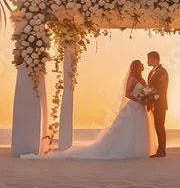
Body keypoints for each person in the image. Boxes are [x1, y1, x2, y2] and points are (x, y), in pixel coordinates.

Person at [21, 60, 155, 160]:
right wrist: (138, 100)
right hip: (133, 106)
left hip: (141, 107)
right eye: (141, 64)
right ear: (137, 66)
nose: (143, 65)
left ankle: (137, 150)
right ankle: (125, 150)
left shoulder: (142, 79)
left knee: (139, 129)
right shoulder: (131, 79)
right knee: (129, 129)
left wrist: (146, 99)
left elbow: (144, 90)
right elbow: (127, 93)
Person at [146, 51, 169, 158]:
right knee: (157, 126)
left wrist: (153, 99)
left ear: (155, 59)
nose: (147, 61)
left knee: (160, 126)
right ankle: (159, 149)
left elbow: (160, 89)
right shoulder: (152, 72)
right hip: (154, 103)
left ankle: (162, 151)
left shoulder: (162, 72)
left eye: (149, 58)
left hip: (160, 103)